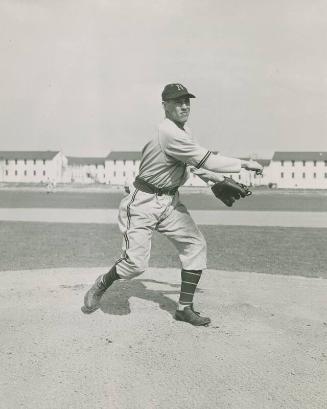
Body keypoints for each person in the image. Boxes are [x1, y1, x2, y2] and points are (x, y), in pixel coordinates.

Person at [82, 83, 262, 326]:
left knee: (195, 244)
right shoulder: (167, 132)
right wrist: (244, 164)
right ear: (164, 106)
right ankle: (101, 284)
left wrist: (216, 180)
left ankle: (184, 308)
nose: (184, 106)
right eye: (177, 102)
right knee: (135, 265)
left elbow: (192, 164)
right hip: (143, 202)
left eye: (187, 101)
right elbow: (205, 159)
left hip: (169, 202)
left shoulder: (184, 132)